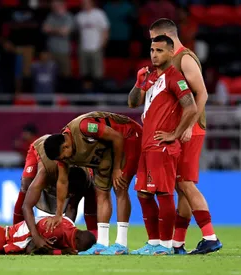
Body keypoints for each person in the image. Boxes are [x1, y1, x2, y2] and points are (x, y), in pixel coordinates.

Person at [149, 18, 222, 255]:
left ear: (166, 36)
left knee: (185, 183)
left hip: (190, 130)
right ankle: (178, 244)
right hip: (181, 128)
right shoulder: (172, 60)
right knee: (181, 186)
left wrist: (188, 125)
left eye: (155, 40)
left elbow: (202, 94)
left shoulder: (185, 58)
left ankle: (210, 236)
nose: (153, 46)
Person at [128, 35, 198, 255]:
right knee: (143, 194)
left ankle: (166, 245)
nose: (154, 54)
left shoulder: (174, 77)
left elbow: (192, 107)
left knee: (163, 194)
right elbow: (132, 103)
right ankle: (154, 242)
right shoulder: (150, 77)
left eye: (159, 50)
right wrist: (139, 82)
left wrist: (175, 134)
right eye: (152, 50)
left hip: (163, 147)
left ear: (170, 52)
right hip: (148, 146)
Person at [42, 112, 142, 255]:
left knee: (120, 187)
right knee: (101, 193)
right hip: (104, 156)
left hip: (128, 137)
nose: (64, 159)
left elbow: (117, 137)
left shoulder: (84, 127)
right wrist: (59, 214)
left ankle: (121, 243)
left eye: (64, 156)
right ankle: (102, 243)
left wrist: (116, 168)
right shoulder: (62, 156)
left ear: (65, 146)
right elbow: (62, 182)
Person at [12, 134, 97, 231]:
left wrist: (65, 233)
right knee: (26, 185)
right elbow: (27, 206)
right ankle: (15, 232)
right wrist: (36, 237)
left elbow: (72, 207)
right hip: (39, 147)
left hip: (74, 169)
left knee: (91, 192)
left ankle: (96, 239)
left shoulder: (86, 177)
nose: (69, 195)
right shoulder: (45, 172)